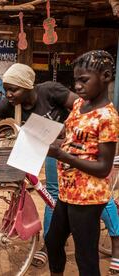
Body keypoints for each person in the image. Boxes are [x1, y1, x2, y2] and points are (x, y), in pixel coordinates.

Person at [0, 62, 119, 270]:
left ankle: (116, 239)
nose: (9, 94)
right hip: (46, 148)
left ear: (29, 86)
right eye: (6, 90)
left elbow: (85, 110)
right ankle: (50, 244)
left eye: (14, 89)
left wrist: (66, 134)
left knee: (96, 193)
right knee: (52, 192)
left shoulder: (50, 91)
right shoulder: (11, 104)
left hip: (74, 148)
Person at [46, 50, 119, 276]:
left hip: (87, 197)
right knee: (52, 241)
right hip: (67, 192)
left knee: (85, 257)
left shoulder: (108, 117)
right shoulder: (79, 106)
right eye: (75, 80)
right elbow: (70, 137)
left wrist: (64, 156)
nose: (77, 86)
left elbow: (103, 167)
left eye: (83, 80)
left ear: (105, 77)